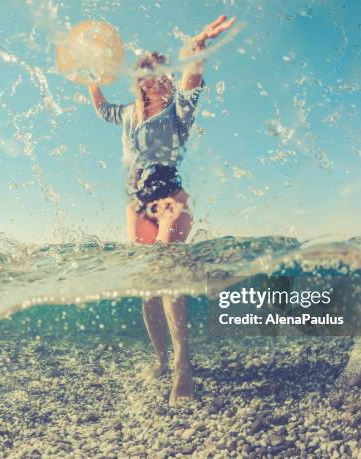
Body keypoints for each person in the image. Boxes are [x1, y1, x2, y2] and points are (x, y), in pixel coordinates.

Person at [87, 15, 235, 406]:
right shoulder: (128, 113)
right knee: (148, 290)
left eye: (165, 73)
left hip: (171, 198)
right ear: (140, 80)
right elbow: (102, 111)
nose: (161, 79)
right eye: (151, 73)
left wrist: (194, 51)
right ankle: (159, 358)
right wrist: (91, 84)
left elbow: (191, 79)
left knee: (168, 276)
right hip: (137, 205)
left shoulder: (177, 113)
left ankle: (183, 365)